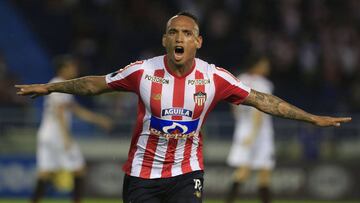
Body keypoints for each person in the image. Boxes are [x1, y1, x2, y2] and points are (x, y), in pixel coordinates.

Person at [15, 12, 351, 203]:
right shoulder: (143, 71)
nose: (179, 37)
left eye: (187, 33)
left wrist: (310, 118)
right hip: (141, 176)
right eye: (173, 32)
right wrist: (50, 87)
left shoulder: (214, 77)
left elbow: (263, 100)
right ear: (165, 40)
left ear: (198, 42)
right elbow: (93, 84)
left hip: (186, 174)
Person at [29, 55, 112, 203]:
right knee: (79, 170)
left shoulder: (55, 84)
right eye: (72, 66)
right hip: (57, 135)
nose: (75, 69)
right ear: (63, 69)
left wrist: (98, 119)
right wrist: (66, 137)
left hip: (46, 134)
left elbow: (74, 109)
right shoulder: (59, 84)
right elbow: (60, 111)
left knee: (45, 173)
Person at [225, 56, 274, 203]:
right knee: (263, 171)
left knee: (243, 170)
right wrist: (253, 134)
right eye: (264, 64)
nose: (267, 67)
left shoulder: (240, 79)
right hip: (259, 132)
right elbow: (259, 112)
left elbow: (232, 104)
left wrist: (241, 121)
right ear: (256, 65)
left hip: (243, 128)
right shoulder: (263, 83)